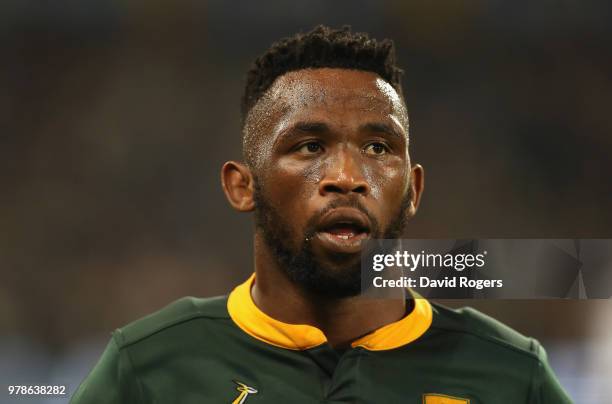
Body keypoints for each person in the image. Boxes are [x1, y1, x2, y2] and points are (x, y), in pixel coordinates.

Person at [71, 25, 572, 403]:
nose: (348, 175)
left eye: (378, 148)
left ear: (413, 189)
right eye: (310, 146)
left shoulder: (511, 375)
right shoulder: (151, 367)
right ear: (242, 186)